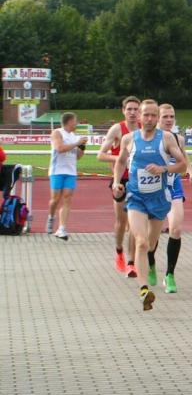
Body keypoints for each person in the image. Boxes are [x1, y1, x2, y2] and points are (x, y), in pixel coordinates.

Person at [112, 99, 186, 311]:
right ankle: (144, 289)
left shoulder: (167, 139)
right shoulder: (129, 139)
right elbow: (121, 161)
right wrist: (116, 182)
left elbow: (183, 165)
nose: (150, 119)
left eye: (154, 115)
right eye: (146, 114)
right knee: (141, 242)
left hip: (159, 199)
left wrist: (164, 169)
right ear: (139, 116)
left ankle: (149, 266)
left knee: (151, 246)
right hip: (136, 198)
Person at [98, 96, 140, 276]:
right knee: (121, 222)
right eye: (129, 109)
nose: (132, 113)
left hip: (138, 181)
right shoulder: (117, 129)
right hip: (120, 180)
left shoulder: (144, 129)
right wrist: (121, 158)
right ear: (123, 111)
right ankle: (119, 251)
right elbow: (100, 155)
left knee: (134, 223)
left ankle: (132, 262)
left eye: (135, 109)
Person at [46, 112, 88, 240]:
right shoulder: (57, 133)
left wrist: (82, 147)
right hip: (57, 171)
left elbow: (78, 156)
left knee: (67, 198)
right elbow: (59, 148)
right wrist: (76, 143)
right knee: (55, 199)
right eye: (75, 121)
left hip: (70, 172)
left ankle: (62, 228)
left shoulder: (75, 136)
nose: (77, 123)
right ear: (69, 121)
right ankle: (51, 217)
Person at [158, 104, 186, 293]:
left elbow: (183, 162)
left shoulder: (179, 139)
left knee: (176, 229)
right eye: (165, 116)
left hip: (173, 187)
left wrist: (191, 171)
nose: (169, 120)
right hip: (153, 190)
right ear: (157, 118)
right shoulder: (148, 139)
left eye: (172, 116)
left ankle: (169, 274)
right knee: (151, 237)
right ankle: (151, 263)